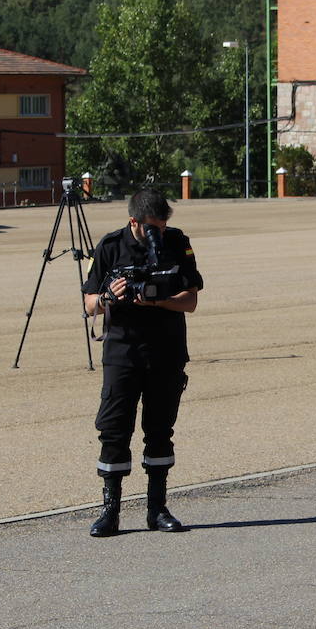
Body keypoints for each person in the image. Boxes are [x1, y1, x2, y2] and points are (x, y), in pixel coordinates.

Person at [81, 188, 203, 537]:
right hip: (122, 353)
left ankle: (157, 508)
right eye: (153, 228)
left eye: (163, 226)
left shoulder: (177, 243)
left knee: (160, 430)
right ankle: (110, 511)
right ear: (133, 221)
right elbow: (89, 304)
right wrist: (108, 298)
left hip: (166, 351)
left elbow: (191, 300)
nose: (159, 234)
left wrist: (158, 301)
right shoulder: (110, 246)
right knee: (114, 431)